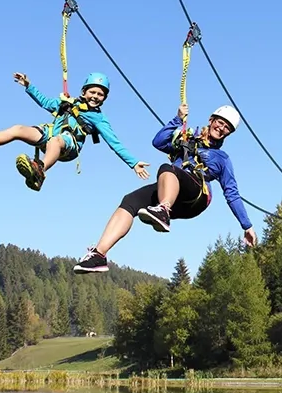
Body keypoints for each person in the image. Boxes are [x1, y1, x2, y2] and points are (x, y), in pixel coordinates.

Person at [73, 102, 257, 273]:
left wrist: (246, 225)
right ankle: (99, 255)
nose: (222, 129)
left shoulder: (222, 158)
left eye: (227, 128)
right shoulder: (187, 136)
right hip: (171, 190)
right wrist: (177, 120)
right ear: (211, 120)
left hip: (196, 197)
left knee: (168, 169)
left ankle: (163, 210)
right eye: (220, 123)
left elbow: (231, 193)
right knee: (130, 201)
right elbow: (158, 142)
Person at [0, 72, 150, 191]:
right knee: (18, 129)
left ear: (104, 98)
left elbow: (114, 142)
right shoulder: (68, 103)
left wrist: (133, 163)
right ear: (84, 92)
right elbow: (45, 102)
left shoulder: (99, 118)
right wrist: (29, 86)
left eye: (100, 94)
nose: (96, 96)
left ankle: (40, 170)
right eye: (93, 92)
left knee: (56, 141)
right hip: (50, 133)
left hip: (67, 146)